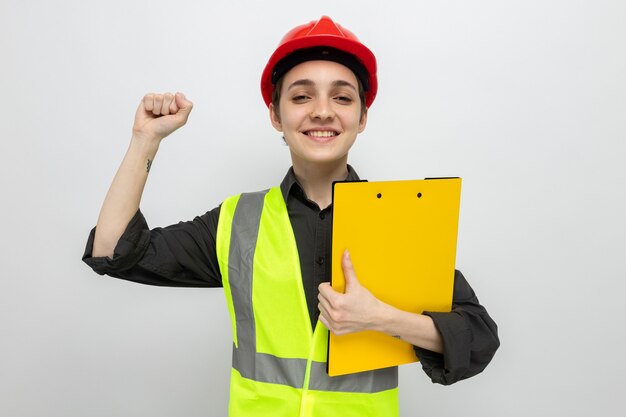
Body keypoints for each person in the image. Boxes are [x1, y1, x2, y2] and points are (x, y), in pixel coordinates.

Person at [83, 16, 499, 417]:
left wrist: (381, 318)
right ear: (276, 115)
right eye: (302, 96)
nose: (322, 111)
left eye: (342, 96)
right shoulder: (237, 222)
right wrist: (144, 141)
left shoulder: (397, 220)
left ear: (362, 117)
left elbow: (478, 337)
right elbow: (114, 251)